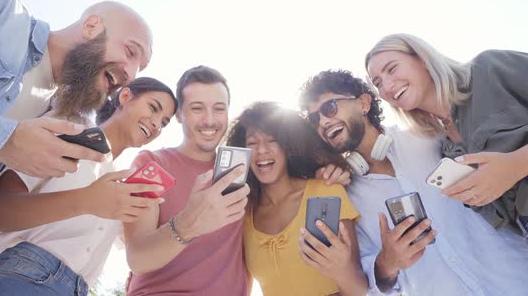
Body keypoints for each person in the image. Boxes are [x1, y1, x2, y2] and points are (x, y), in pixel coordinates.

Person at [0, 0, 152, 295]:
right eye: (131, 52)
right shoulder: (0, 12)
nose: (131, 73)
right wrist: (2, 137)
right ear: (92, 26)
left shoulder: (55, 117)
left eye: (139, 68)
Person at [299, 69, 528, 296]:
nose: (323, 122)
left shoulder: (429, 135)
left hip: (516, 280)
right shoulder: (345, 196)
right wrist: (386, 265)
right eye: (314, 119)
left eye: (329, 108)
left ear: (363, 103)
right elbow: (369, 288)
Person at [0, 77, 176, 296]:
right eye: (153, 108)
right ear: (125, 96)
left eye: (165, 122)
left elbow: (141, 252)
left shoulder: (120, 187)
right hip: (20, 280)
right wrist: (86, 201)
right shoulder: (70, 129)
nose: (156, 124)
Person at [365, 33, 528, 232]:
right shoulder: (446, 150)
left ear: (422, 59)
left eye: (392, 68)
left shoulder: (489, 68)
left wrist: (517, 164)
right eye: (378, 83)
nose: (387, 86)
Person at [124, 66, 251, 295]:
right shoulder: (151, 164)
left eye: (219, 109)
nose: (209, 120)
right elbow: (137, 258)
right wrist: (188, 224)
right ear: (180, 114)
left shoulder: (239, 172)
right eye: (197, 109)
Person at [226, 101, 367, 296]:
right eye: (251, 143)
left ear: (287, 146)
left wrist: (343, 272)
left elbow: (359, 289)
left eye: (272, 140)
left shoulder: (325, 191)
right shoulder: (243, 211)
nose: (261, 150)